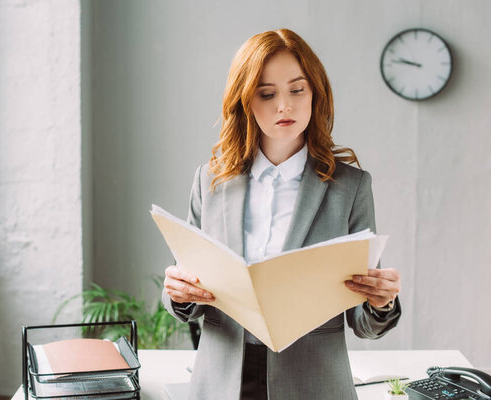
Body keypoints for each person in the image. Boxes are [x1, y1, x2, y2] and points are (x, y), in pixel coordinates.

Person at [161, 28, 402, 400]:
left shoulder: (350, 187)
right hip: (222, 383)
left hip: (313, 384)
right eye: (267, 93)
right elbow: (188, 299)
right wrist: (179, 293)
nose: (284, 106)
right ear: (246, 100)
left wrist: (380, 302)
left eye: (297, 90)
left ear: (315, 93)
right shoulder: (210, 181)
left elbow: (364, 322)